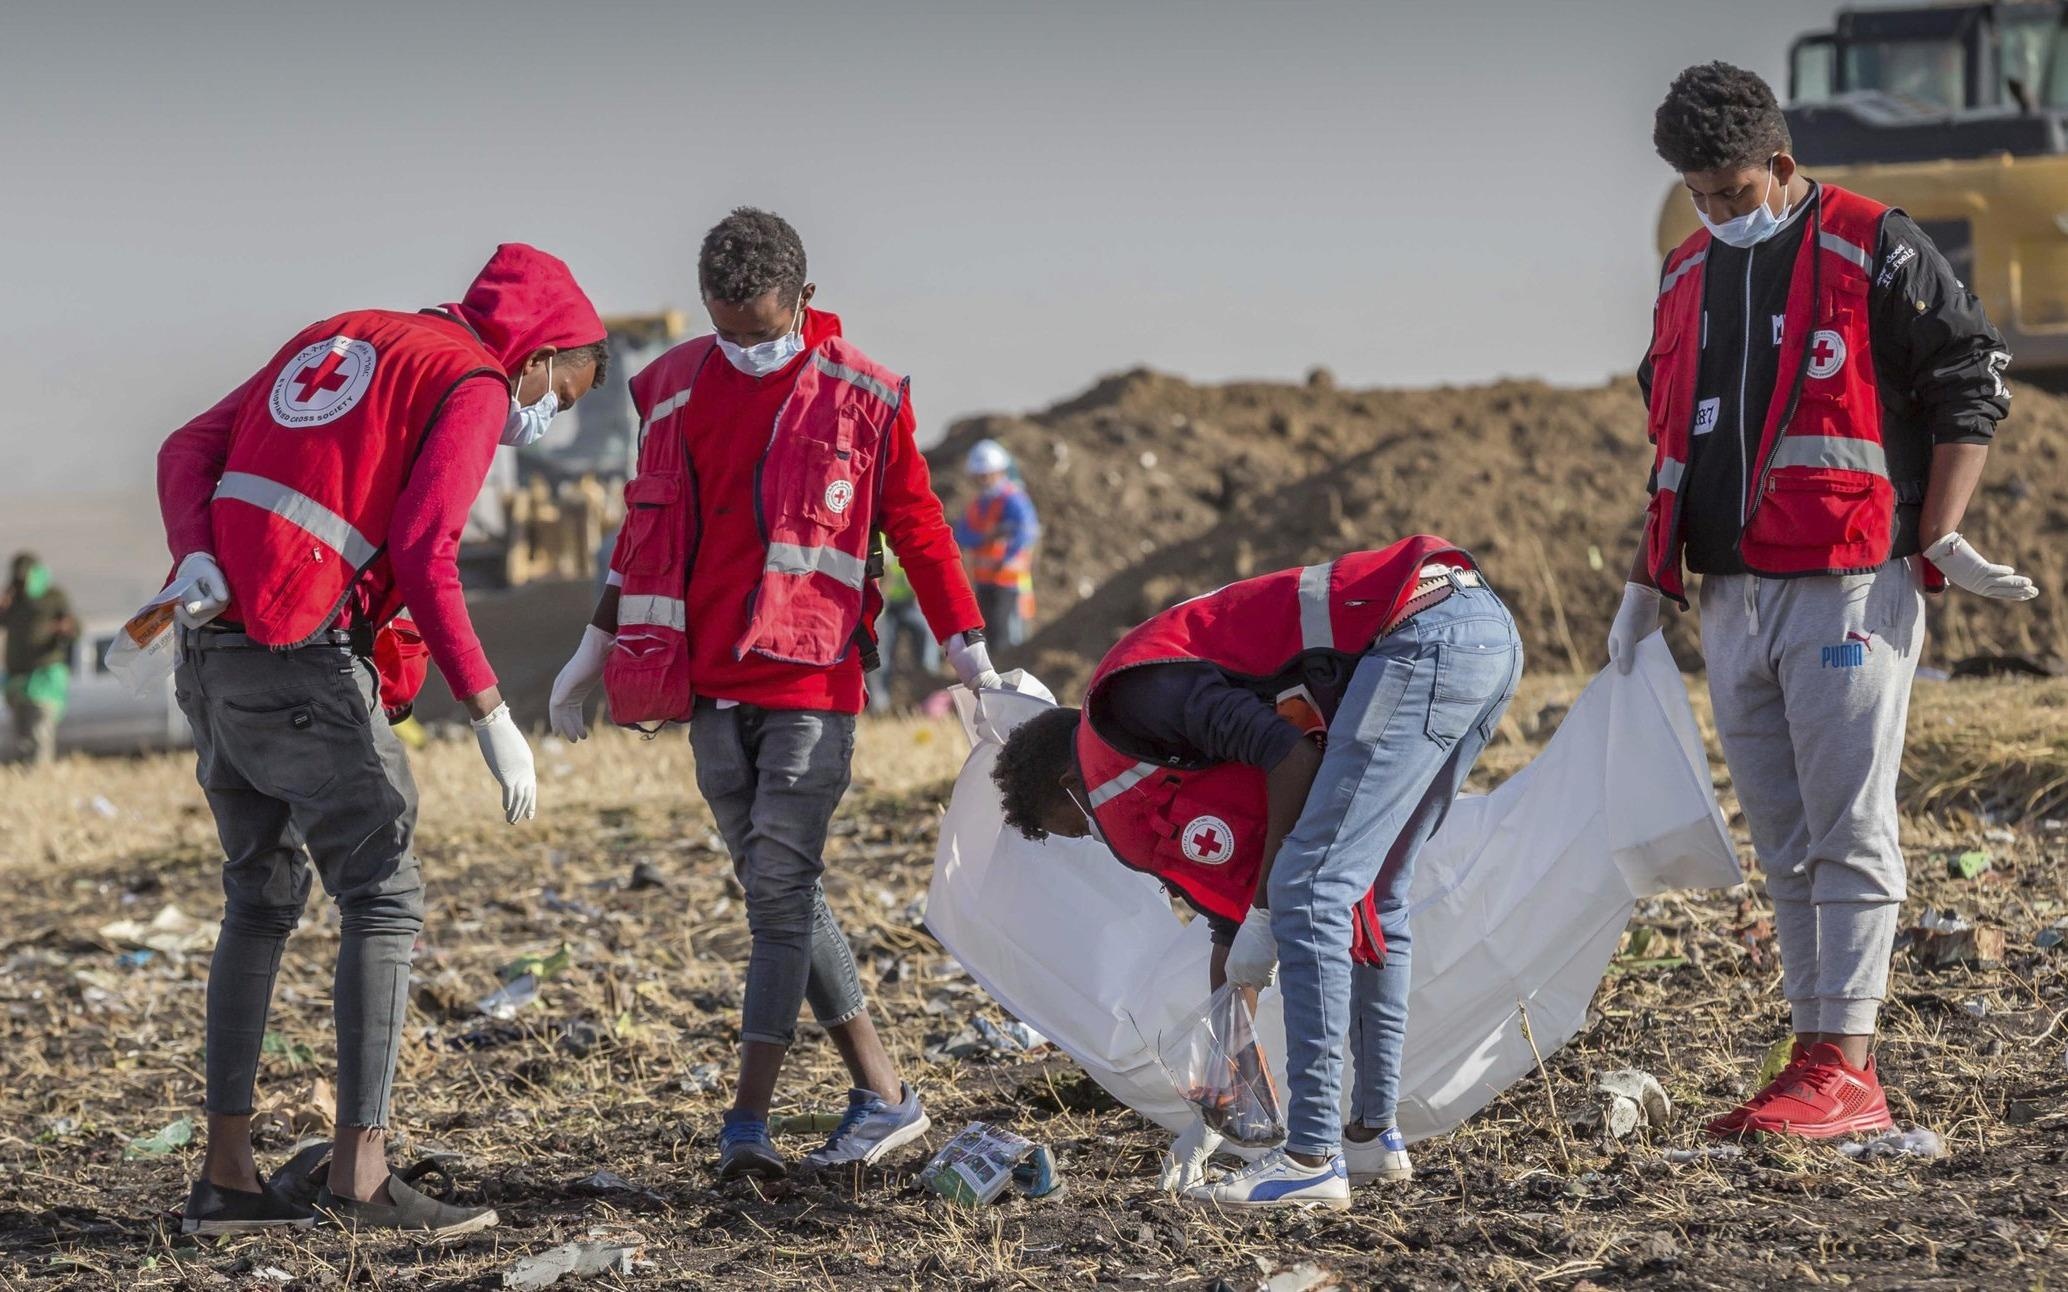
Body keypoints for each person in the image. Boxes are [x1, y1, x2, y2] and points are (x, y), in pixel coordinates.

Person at [1610, 64, 2036, 1140]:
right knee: (1785, 834)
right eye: (1698, 196)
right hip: (1729, 594)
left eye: (1729, 191)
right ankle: (1812, 1055)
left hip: (1848, 582)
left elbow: (1968, 370)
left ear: (1780, 164)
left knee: (1848, 823)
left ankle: (1849, 1063)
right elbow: (1671, 430)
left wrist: (1938, 532)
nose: (1714, 212)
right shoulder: (1684, 275)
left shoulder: (1871, 241)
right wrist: (1642, 582)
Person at [155, 243, 608, 1236]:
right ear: (537, 352)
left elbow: (186, 444)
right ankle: (362, 1177)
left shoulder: (338, 334)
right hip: (301, 658)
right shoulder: (475, 380)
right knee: (384, 893)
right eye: (560, 393)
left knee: (260, 900)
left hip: (210, 648)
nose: (544, 416)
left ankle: (226, 1181)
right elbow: (425, 548)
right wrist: (491, 711)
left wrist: (194, 548)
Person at [546, 208, 998, 1181]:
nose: (748, 350)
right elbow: (645, 533)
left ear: (805, 299)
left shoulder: (866, 396)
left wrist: (968, 649)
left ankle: (745, 1123)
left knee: (779, 899)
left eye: (764, 330)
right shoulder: (668, 388)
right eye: (729, 332)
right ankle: (884, 1094)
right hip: (707, 683)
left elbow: (916, 522)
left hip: (812, 678)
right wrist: (593, 644)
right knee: (779, 891)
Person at [992, 538, 1521, 1209]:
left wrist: (1275, 909)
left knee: (1311, 891)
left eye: (1080, 821)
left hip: (1424, 632)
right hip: (1472, 631)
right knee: (1371, 890)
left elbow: (1291, 760)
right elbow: (1229, 931)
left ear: (1073, 780)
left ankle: (1309, 1160)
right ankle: (1367, 1137)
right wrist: (1220, 1102)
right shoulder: (1151, 747)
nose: (1098, 830)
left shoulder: (1130, 702)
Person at [952, 438, 1039, 647]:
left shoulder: (1013, 500)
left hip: (1008, 581)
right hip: (983, 581)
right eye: (979, 476)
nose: (983, 480)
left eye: (986, 475)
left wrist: (1007, 556)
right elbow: (961, 535)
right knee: (988, 636)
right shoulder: (978, 504)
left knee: (1005, 636)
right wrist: (986, 538)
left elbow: (1027, 532)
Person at [1, 552, 78, 765]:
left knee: (39, 729)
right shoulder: (14, 600)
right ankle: (27, 776)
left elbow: (75, 627)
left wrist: (64, 628)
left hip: (45, 676)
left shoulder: (53, 597)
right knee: (22, 734)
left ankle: (40, 772)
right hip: (18, 679)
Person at [866, 549, 940, 712]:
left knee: (927, 637)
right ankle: (879, 706)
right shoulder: (878, 539)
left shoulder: (907, 537)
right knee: (880, 655)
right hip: (884, 604)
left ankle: (930, 684)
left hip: (910, 602)